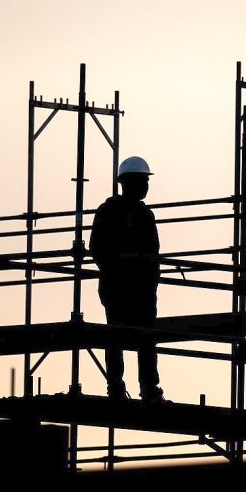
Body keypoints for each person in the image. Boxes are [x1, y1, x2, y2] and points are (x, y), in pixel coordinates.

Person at [89, 155, 167, 403]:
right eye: (143, 180)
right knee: (138, 337)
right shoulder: (129, 214)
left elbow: (98, 249)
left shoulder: (115, 212)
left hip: (126, 286)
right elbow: (98, 249)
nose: (145, 186)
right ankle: (140, 387)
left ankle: (124, 387)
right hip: (129, 287)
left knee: (125, 336)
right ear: (133, 183)